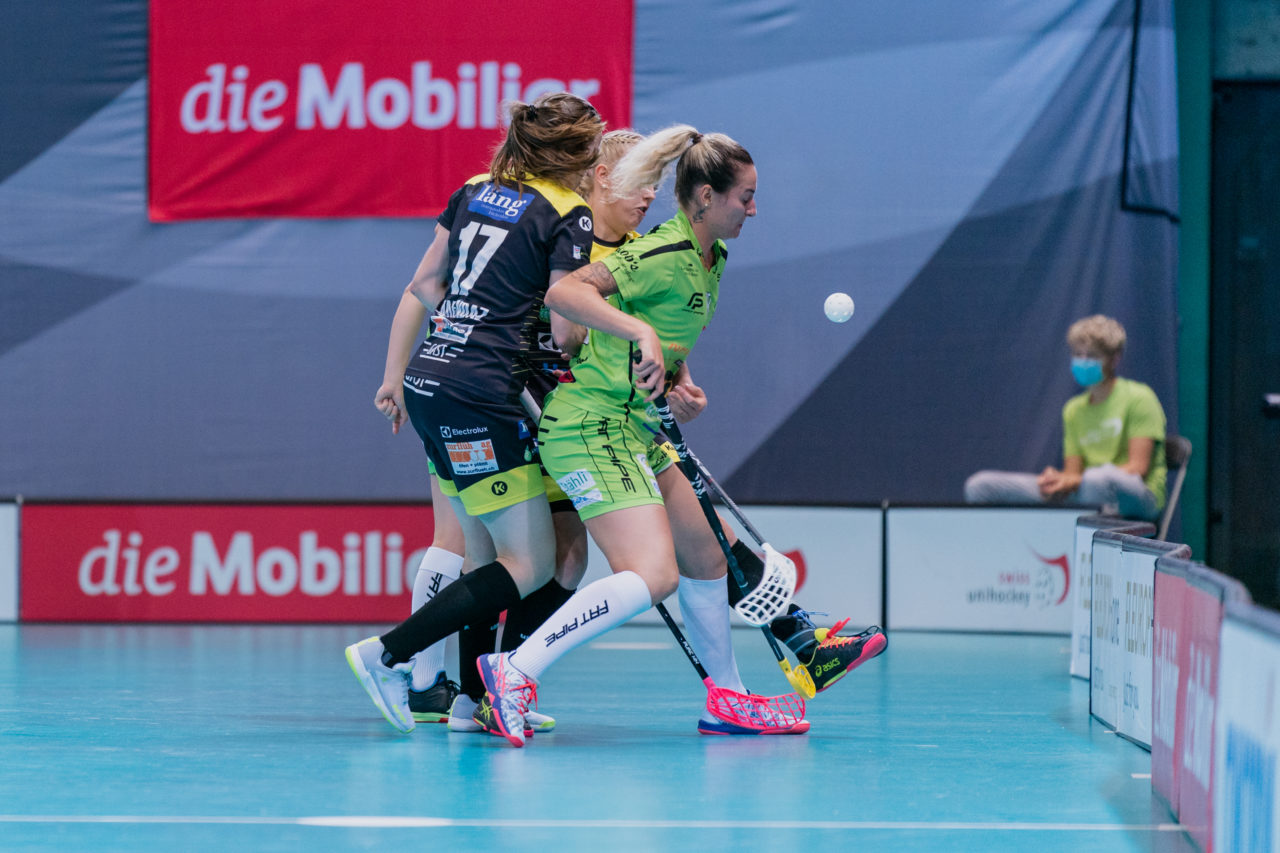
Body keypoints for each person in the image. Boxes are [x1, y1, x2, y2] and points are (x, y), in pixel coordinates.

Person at [474, 125, 883, 747]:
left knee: (707, 558)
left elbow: (659, 332)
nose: (753, 210)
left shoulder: (710, 259)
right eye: (745, 197)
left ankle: (729, 698)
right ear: (705, 198)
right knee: (652, 576)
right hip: (590, 426)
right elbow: (566, 292)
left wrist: (675, 379)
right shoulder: (662, 252)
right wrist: (639, 336)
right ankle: (514, 670)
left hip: (637, 426)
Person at [346, 92, 605, 733]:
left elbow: (425, 284)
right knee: (531, 565)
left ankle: (469, 701)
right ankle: (387, 655)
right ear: (575, 153)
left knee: (483, 556)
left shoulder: (475, 187)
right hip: (483, 393)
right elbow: (567, 328)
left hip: (433, 378)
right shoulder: (568, 211)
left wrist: (468, 327)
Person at [964, 315, 1167, 520]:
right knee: (981, 485)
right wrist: (1057, 481)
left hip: (1140, 499)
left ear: (1114, 359)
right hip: (1087, 493)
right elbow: (1073, 474)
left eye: (1092, 356)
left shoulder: (1139, 397)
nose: (1083, 361)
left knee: (1095, 479)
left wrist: (1078, 481)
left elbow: (1138, 469)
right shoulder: (1073, 410)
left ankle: (1087, 538)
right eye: (1078, 354)